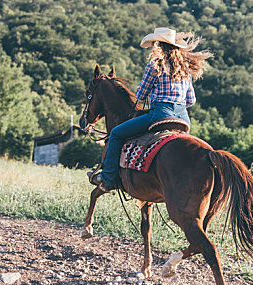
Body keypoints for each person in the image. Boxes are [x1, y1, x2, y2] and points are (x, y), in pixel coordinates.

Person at [90, 27, 213, 192]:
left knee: (116, 134)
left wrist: (156, 96)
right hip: (183, 118)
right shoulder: (185, 69)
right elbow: (191, 100)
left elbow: (140, 94)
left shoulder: (155, 66)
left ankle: (108, 178)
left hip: (159, 115)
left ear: (159, 46)